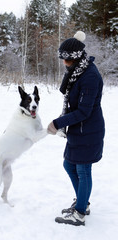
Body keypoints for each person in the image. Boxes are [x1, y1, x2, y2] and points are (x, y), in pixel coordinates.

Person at [47, 31, 105, 226]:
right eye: (63, 59)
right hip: (78, 130)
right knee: (69, 165)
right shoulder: (77, 71)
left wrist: (57, 123)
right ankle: (82, 202)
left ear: (77, 57)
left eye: (67, 60)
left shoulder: (89, 76)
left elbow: (83, 112)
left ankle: (80, 212)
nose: (64, 64)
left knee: (83, 169)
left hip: (88, 130)